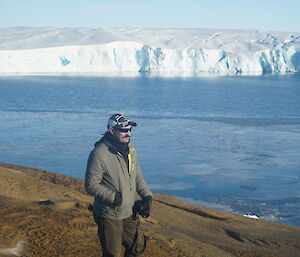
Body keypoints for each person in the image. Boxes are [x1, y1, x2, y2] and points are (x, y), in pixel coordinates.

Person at [85, 113, 152, 257]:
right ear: (111, 130)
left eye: (129, 130)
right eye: (123, 130)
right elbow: (91, 185)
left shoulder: (130, 149)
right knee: (113, 254)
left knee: (137, 247)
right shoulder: (99, 153)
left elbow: (137, 176)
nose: (128, 133)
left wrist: (147, 196)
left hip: (128, 210)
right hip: (109, 214)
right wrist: (115, 198)